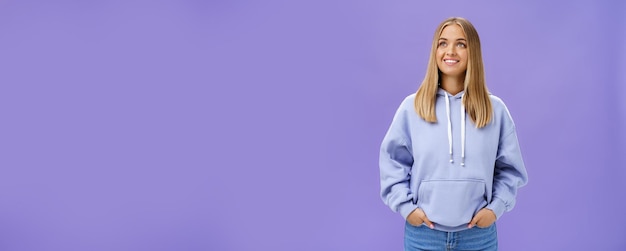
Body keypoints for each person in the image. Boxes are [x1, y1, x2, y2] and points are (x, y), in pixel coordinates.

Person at [379, 17, 528, 251]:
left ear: (473, 52)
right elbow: (392, 162)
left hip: (478, 237)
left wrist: (495, 208)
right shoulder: (412, 107)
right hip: (423, 236)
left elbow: (510, 169)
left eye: (461, 44)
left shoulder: (495, 110)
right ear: (435, 51)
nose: (451, 51)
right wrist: (406, 208)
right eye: (443, 43)